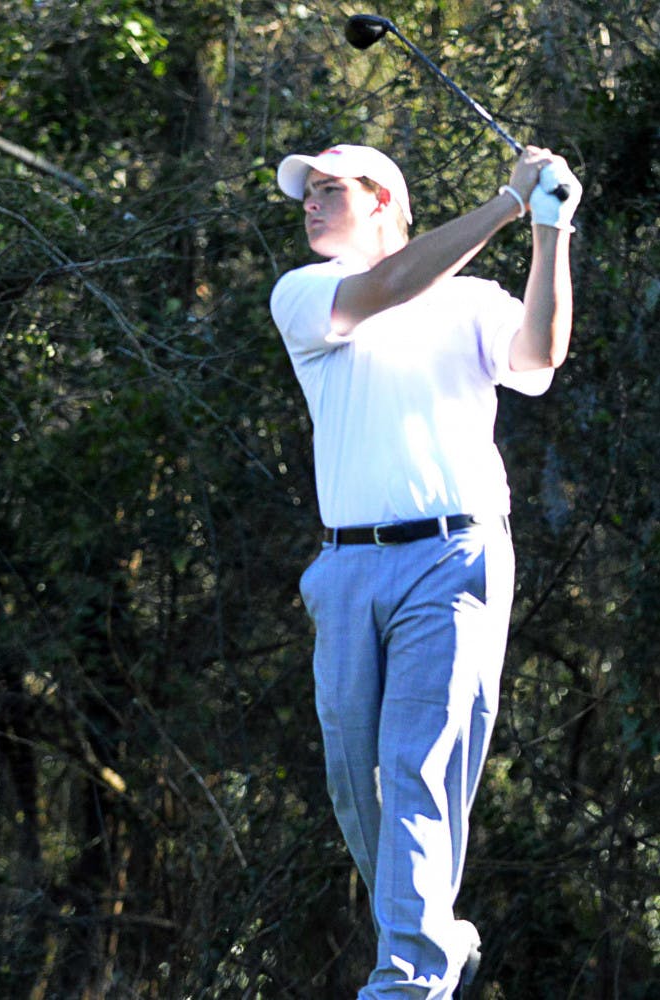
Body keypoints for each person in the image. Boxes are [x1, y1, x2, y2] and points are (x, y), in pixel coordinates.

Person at [269, 142, 582, 999]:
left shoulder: (474, 300)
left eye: (330, 190)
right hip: (343, 571)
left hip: (452, 557)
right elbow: (385, 289)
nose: (309, 204)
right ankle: (438, 936)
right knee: (354, 788)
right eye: (308, 193)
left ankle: (407, 979)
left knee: (417, 765)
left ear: (383, 200)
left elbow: (538, 359)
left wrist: (549, 230)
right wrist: (506, 206)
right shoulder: (305, 293)